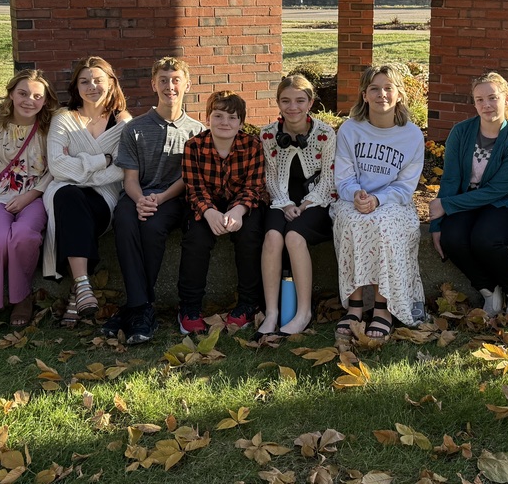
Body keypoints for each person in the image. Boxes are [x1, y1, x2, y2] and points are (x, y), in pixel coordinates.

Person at [105, 57, 204, 344]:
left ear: (186, 84)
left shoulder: (196, 132)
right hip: (137, 194)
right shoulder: (134, 128)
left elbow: (187, 179)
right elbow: (130, 179)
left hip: (172, 197)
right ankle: (142, 308)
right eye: (163, 80)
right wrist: (140, 200)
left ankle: (134, 308)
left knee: (151, 228)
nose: (169, 86)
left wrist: (159, 198)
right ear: (153, 84)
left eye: (175, 80)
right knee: (124, 221)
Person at [428, 72, 508, 318]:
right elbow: (451, 178)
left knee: (485, 239)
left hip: (506, 205)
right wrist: (436, 223)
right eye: (479, 99)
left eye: (493, 97)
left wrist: (448, 204)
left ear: (506, 99)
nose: (486, 104)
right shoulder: (461, 132)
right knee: (451, 239)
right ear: (474, 103)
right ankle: (488, 290)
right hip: (467, 202)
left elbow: (497, 190)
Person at [333, 65, 424, 341]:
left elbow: (406, 186)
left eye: (388, 88)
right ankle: (356, 305)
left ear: (399, 95)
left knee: (382, 223)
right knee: (350, 220)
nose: (381, 94)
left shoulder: (412, 135)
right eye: (374, 88)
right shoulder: (350, 130)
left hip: (394, 204)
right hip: (355, 200)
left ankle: (383, 308)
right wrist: (357, 195)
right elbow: (344, 177)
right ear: (364, 95)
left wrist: (378, 199)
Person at [42, 56, 132, 327]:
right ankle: (83, 287)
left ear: (111, 84)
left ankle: (77, 291)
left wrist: (79, 167)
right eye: (84, 81)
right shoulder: (63, 119)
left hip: (103, 198)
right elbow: (57, 166)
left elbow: (122, 170)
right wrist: (101, 160)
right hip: (63, 192)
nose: (91, 86)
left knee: (76, 204)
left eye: (98, 80)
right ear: (76, 86)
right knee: (70, 197)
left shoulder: (124, 124)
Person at [0, 69, 60, 330]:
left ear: (45, 100)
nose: (29, 100)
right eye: (22, 93)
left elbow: (56, 167)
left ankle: (21, 296)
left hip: (36, 195)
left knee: (24, 236)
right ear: (11, 93)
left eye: (36, 96)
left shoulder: (52, 125)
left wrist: (31, 196)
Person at [178, 91, 266, 335]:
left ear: (241, 122)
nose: (225, 123)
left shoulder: (253, 146)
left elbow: (254, 186)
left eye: (232, 117)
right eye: (218, 116)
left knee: (250, 236)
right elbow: (194, 188)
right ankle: (190, 308)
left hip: (242, 205)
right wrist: (209, 213)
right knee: (196, 239)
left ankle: (248, 304)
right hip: (205, 205)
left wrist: (238, 211)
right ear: (208, 118)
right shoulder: (194, 147)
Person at [255, 75, 337, 337]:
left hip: (317, 202)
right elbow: (269, 176)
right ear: (278, 103)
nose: (293, 107)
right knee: (272, 238)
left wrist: (307, 204)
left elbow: (329, 177)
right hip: (281, 200)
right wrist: (286, 204)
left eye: (300, 100)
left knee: (294, 236)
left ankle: (303, 313)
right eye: (286, 101)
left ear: (310, 102)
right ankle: (271, 313)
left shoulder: (325, 134)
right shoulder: (268, 134)